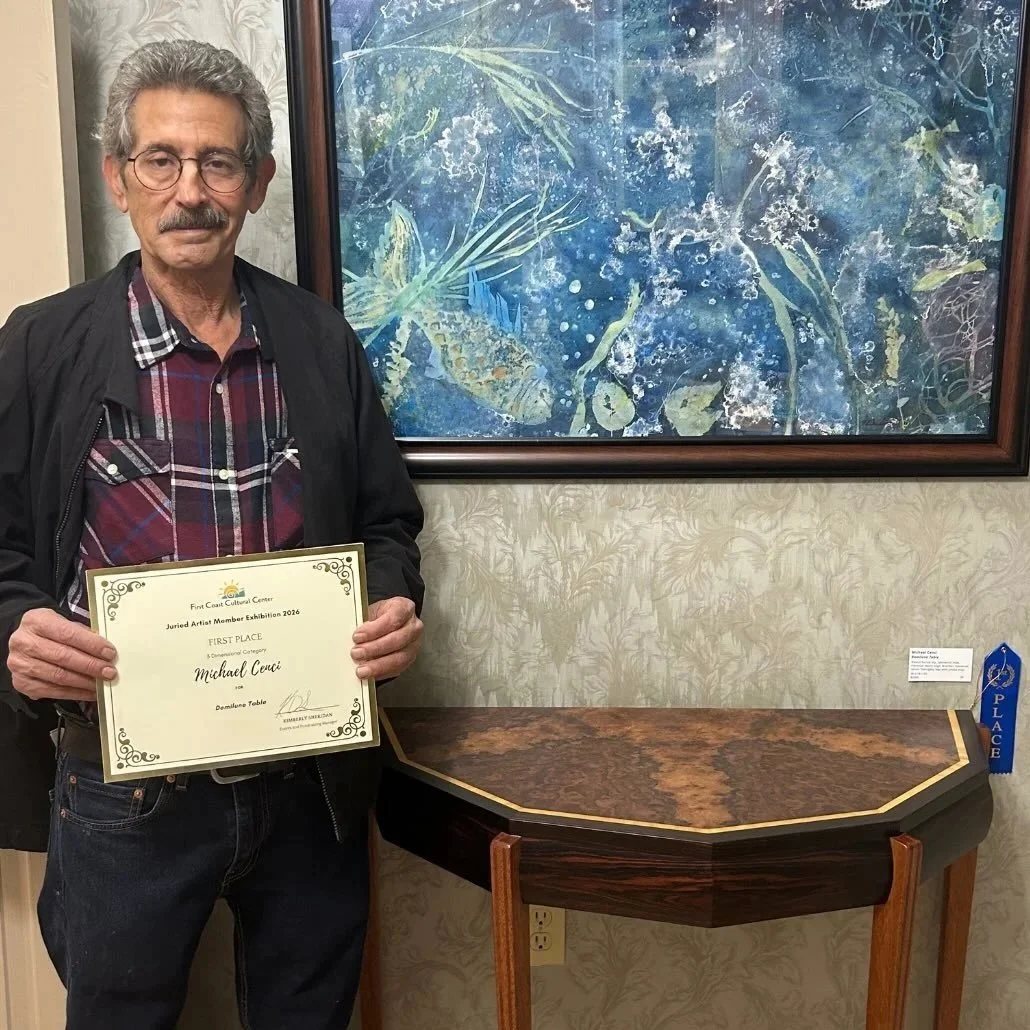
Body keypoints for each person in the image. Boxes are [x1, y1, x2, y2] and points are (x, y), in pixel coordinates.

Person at [0, 38, 425, 1030]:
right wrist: (15, 623)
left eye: (218, 162)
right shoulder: (38, 345)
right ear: (119, 177)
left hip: (306, 790)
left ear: (258, 181)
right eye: (161, 159)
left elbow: (386, 525)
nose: (190, 189)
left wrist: (394, 602)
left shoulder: (321, 342)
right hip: (120, 797)